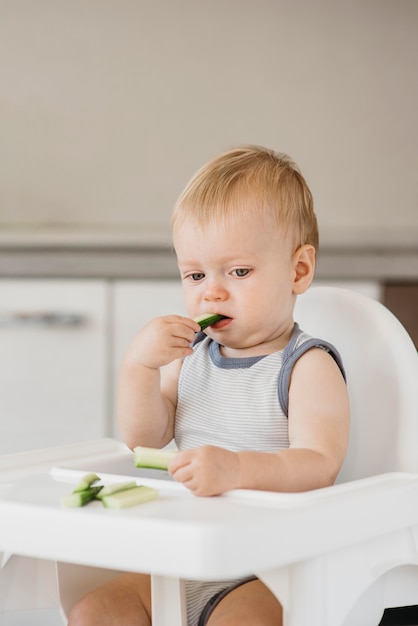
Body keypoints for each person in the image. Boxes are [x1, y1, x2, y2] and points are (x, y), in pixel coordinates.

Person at [68, 145, 350, 626]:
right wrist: (139, 367)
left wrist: (236, 469)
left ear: (298, 270)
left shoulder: (305, 365)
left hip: (266, 569)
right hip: (185, 555)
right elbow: (144, 439)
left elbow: (319, 465)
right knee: (96, 609)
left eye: (238, 272)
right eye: (195, 274)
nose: (211, 292)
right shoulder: (193, 357)